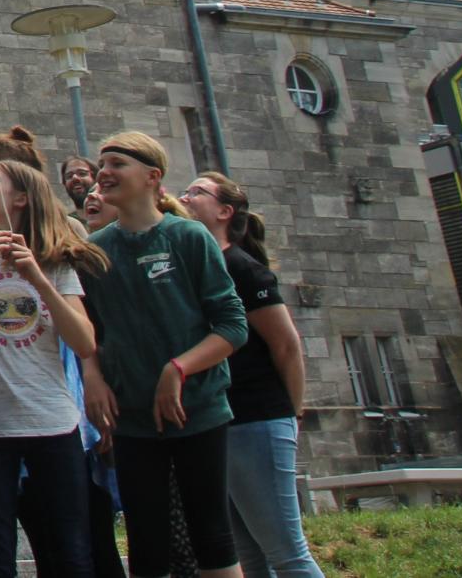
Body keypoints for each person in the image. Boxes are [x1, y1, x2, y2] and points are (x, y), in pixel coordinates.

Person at [80, 132, 249, 578]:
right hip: (133, 419)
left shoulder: (188, 237)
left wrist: (178, 368)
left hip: (200, 410)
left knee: (212, 533)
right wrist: (92, 378)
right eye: (102, 164)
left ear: (153, 177)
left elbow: (232, 326)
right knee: (146, 541)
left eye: (117, 163)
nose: (104, 173)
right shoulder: (97, 252)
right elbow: (89, 333)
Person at [0, 158, 104, 578]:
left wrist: (36, 275)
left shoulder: (54, 262)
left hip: (52, 422)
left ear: (22, 198)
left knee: (71, 549)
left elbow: (84, 342)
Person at [180, 172, 323, 578]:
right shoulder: (200, 267)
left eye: (197, 192)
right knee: (249, 554)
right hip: (218, 421)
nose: (185, 197)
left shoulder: (243, 269)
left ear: (225, 211)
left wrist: (292, 413)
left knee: (287, 554)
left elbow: (286, 346)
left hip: (258, 417)